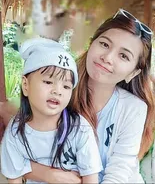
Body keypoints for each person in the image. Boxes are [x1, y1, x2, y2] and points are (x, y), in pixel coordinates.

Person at [1, 9, 155, 183]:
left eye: (124, 56)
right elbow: (16, 148)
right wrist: (47, 174)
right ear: (91, 44)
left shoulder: (133, 108)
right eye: (104, 44)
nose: (108, 57)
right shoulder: (58, 93)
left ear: (133, 73)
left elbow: (119, 171)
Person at [1, 38, 102, 184]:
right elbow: (14, 178)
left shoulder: (80, 128)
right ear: (25, 85)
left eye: (66, 86)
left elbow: (91, 178)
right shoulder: (15, 131)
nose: (57, 91)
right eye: (48, 82)